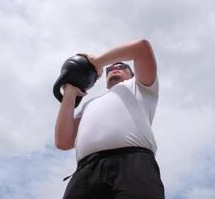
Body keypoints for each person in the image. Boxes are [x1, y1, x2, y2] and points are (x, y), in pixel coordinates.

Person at [55, 39, 165, 199]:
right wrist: (70, 91)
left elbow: (141, 48)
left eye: (121, 67)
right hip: (85, 172)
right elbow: (63, 141)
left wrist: (98, 62)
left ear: (132, 74)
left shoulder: (141, 86)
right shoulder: (89, 104)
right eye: (110, 69)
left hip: (132, 165)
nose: (114, 69)